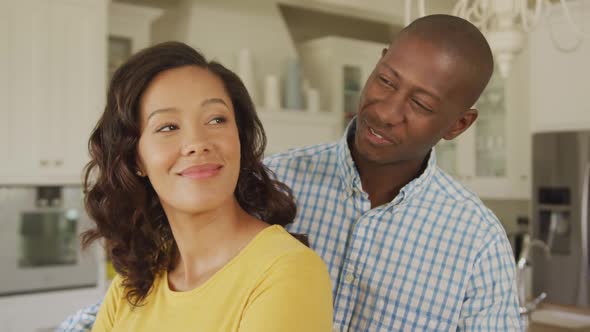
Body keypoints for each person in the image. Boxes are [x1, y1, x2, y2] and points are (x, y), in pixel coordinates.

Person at [58, 14, 520, 331]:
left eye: (420, 104)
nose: (387, 111)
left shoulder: (476, 241)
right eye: (385, 81)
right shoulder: (265, 181)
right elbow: (160, 297)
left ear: (460, 124)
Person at [76, 41, 334, 332]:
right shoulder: (133, 282)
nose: (197, 143)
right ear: (136, 158)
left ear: (240, 138)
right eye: (168, 127)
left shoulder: (287, 271)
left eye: (216, 119)